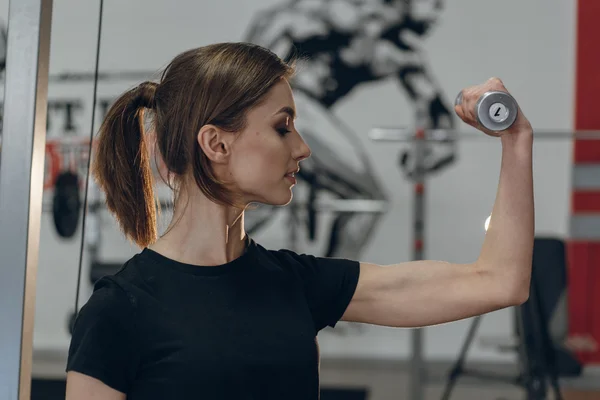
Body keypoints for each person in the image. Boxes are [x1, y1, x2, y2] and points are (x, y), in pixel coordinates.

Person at [65, 42, 535, 400]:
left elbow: (499, 283)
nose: (303, 148)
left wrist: (516, 142)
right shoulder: (117, 314)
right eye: (282, 127)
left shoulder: (297, 284)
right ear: (216, 144)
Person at [243, 0, 455, 259]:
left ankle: (196, 256)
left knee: (266, 202)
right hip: (292, 105)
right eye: (434, 3)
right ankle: (335, 284)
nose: (438, 13)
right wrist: (247, 97)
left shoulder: (403, 54)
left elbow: (435, 111)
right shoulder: (354, 14)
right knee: (367, 201)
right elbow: (277, 21)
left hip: (303, 117)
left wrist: (431, 150)